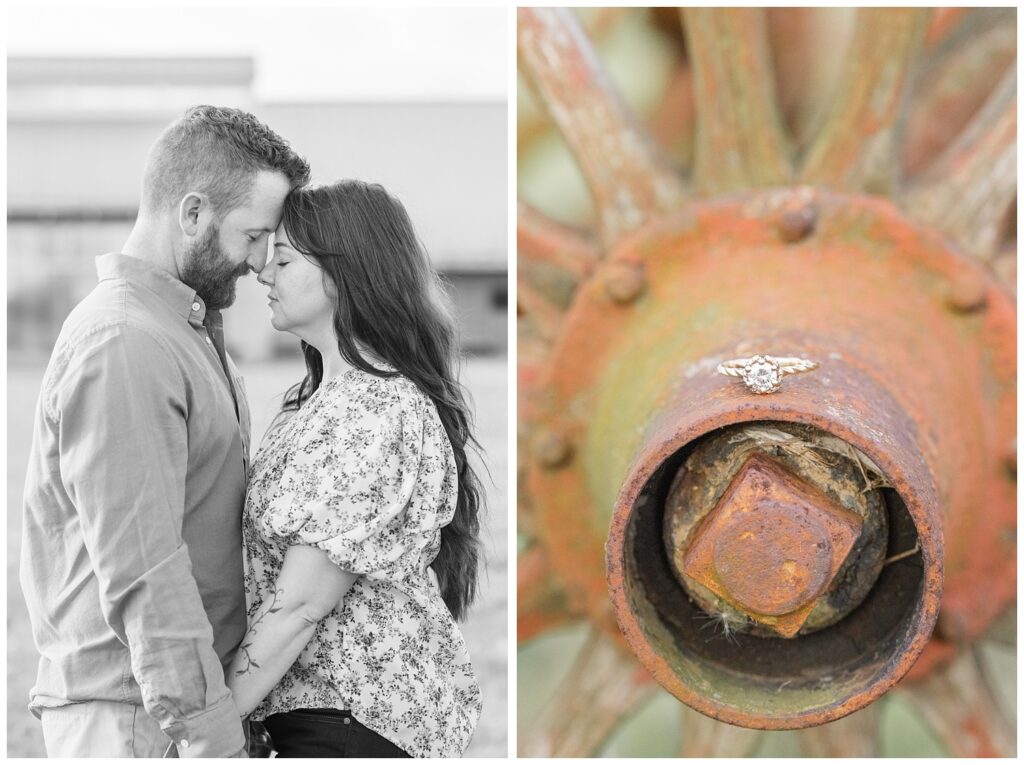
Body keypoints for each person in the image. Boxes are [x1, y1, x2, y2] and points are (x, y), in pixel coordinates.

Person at [20, 105, 310, 757]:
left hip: (164, 712)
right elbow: (143, 567)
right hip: (134, 720)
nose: (261, 260)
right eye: (253, 234)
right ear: (192, 213)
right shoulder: (125, 344)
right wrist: (212, 736)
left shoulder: (180, 333)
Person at [224, 180, 484, 758]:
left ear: (343, 277)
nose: (263, 274)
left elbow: (300, 605)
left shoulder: (375, 410)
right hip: (321, 715)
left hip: (355, 720)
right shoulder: (313, 401)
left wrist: (208, 722)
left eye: (284, 260)